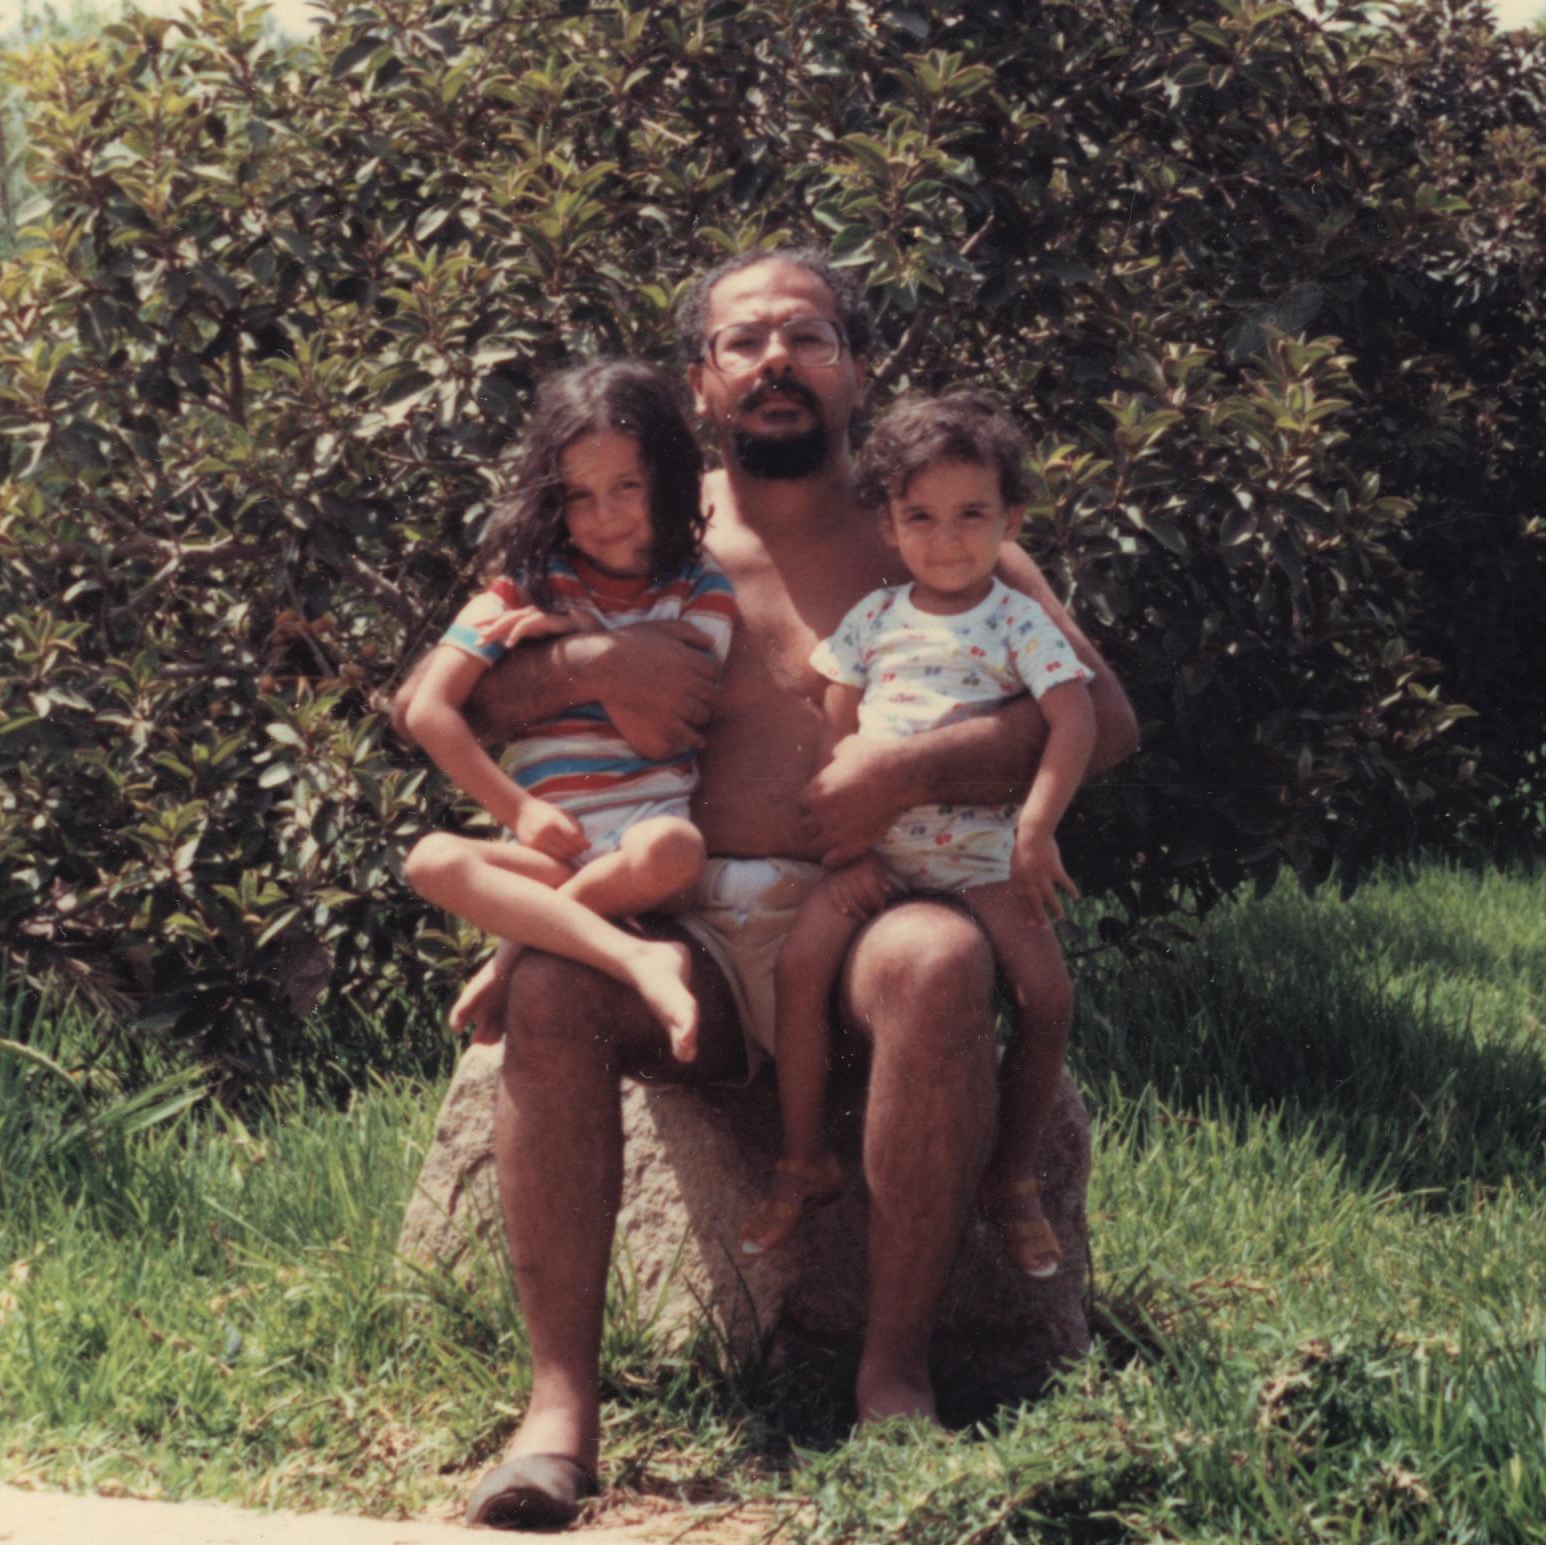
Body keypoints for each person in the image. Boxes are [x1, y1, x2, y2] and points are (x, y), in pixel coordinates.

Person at [396, 248, 1138, 1532]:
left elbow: (1106, 720)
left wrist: (912, 767)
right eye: (744, 341)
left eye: (808, 335)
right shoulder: (642, 529)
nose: (776, 360)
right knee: (557, 991)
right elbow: (444, 695)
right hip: (679, 913)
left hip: (866, 909)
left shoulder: (931, 526)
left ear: (857, 366)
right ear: (700, 378)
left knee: (939, 961)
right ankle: (558, 1414)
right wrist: (592, 663)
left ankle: (893, 1379)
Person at [737, 392, 1094, 1283]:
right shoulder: (873, 619)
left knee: (1049, 997)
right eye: (921, 517)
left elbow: (1077, 719)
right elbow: (838, 727)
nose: (946, 539)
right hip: (883, 860)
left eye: (972, 514)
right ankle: (802, 1158)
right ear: (889, 526)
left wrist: (1037, 829)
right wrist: (850, 850)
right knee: (798, 968)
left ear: (1011, 519)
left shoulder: (1016, 619)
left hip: (983, 861)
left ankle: (1012, 1177)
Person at [398, 359, 737, 1065]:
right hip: (547, 848)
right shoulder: (527, 583)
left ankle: (513, 954)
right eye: (580, 495)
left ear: (669, 479)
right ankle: (634, 956)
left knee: (678, 849)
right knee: (430, 859)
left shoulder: (702, 587)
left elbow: (657, 734)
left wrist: (586, 644)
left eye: (626, 487)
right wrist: (518, 810)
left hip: (643, 844)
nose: (605, 517)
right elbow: (426, 709)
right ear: (551, 499)